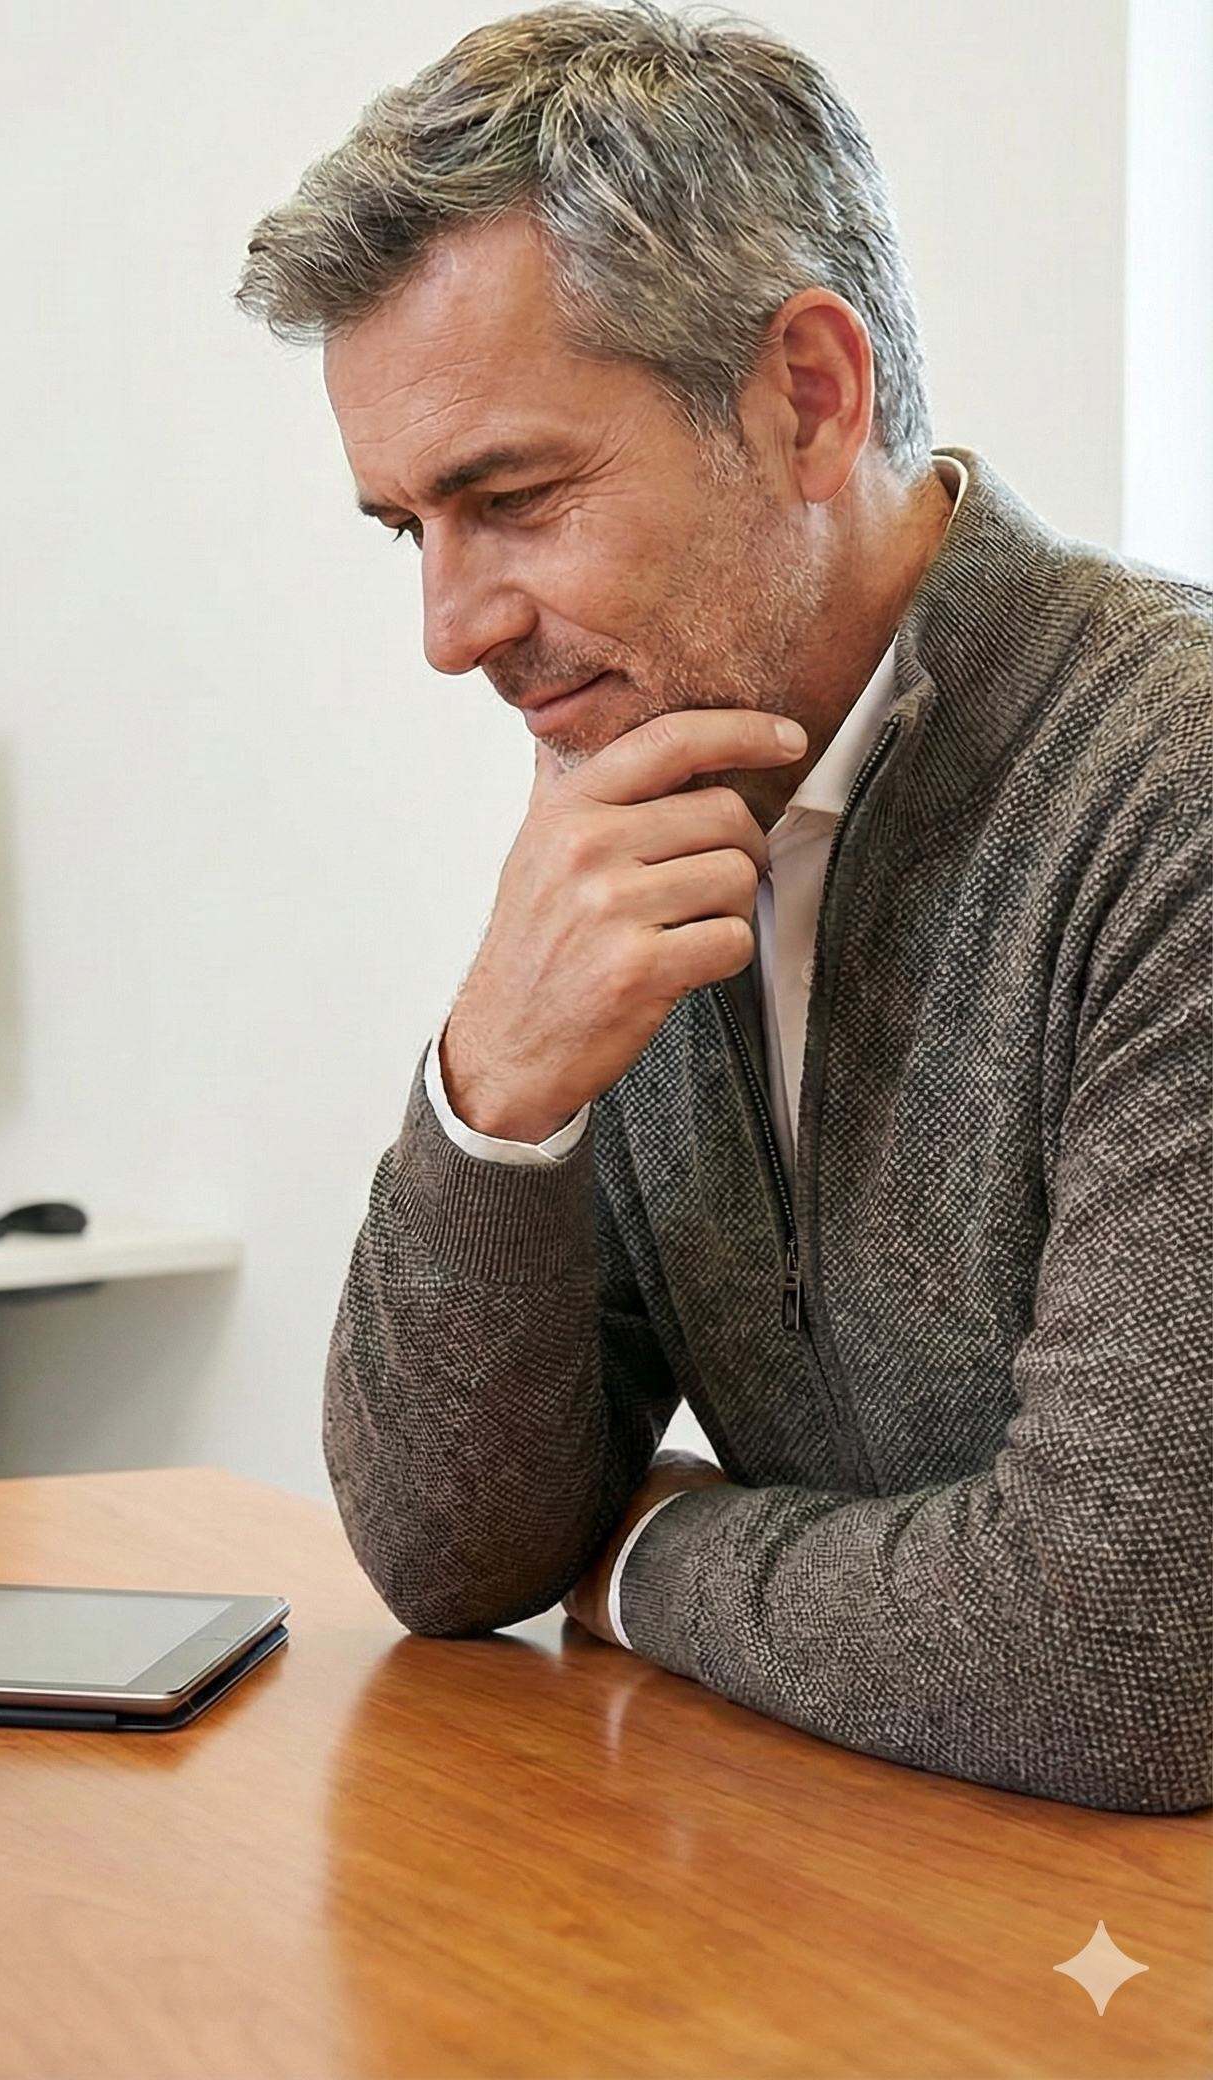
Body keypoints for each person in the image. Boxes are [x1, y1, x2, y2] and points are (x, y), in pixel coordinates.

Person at [235, 3, 1213, 1812]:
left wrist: (643, 1562)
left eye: (511, 500)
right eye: (407, 531)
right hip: (881, 1902)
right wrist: (496, 1094)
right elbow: (451, 1556)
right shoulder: (656, 783)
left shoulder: (1175, 794)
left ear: (808, 400)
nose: (449, 632)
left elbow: (1136, 1650)